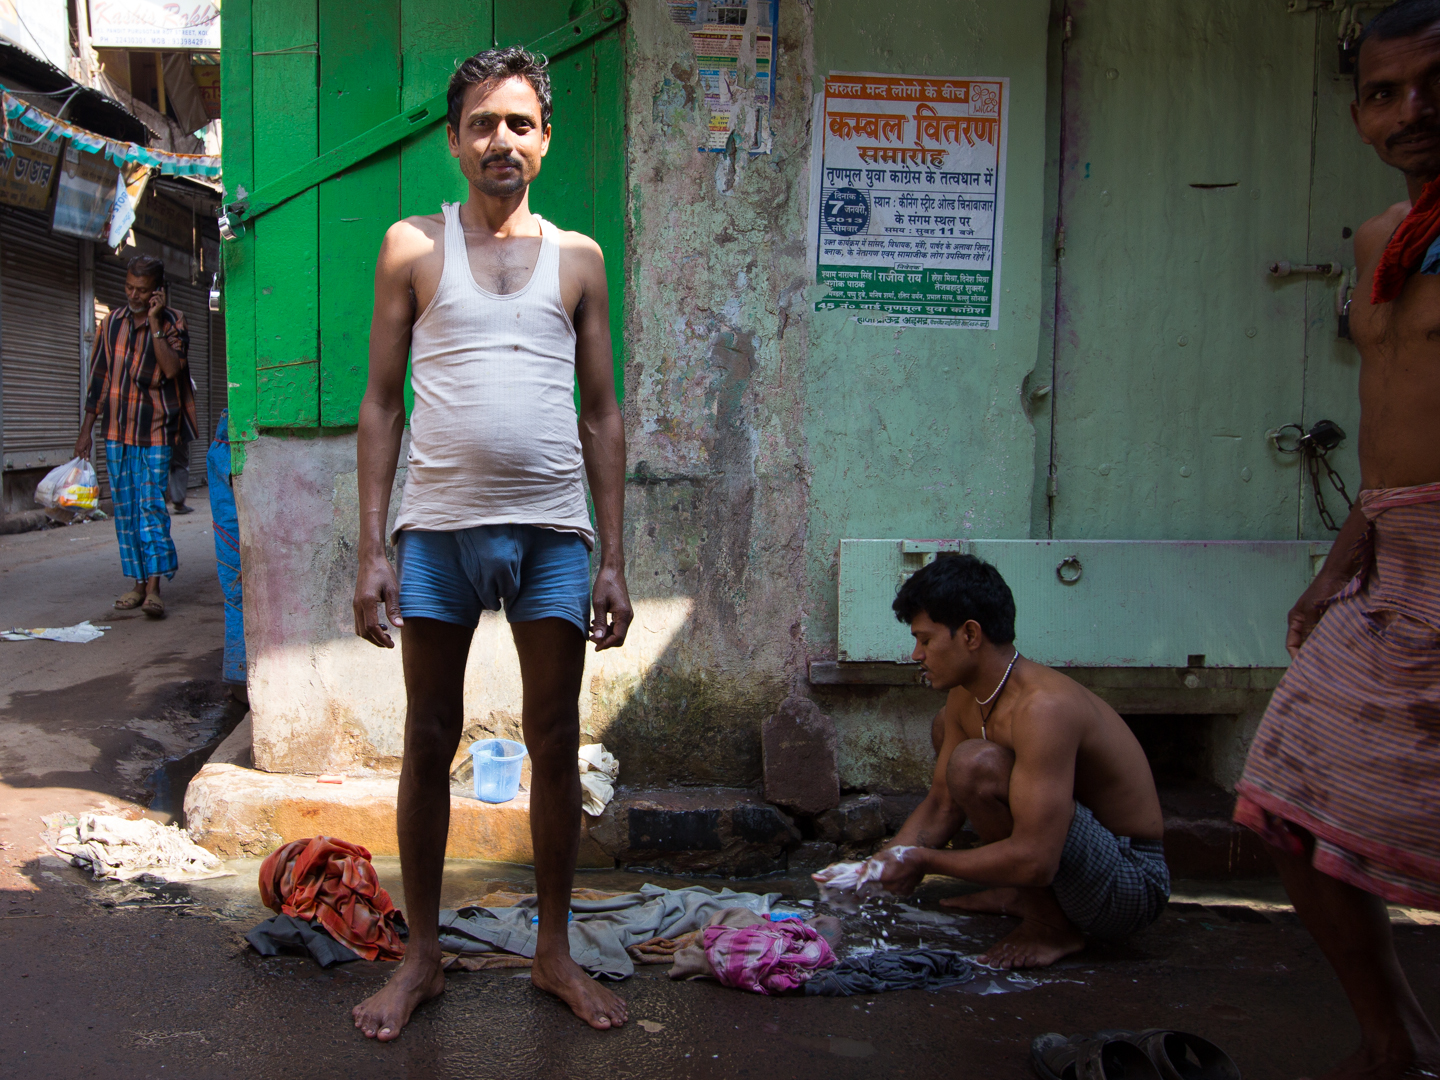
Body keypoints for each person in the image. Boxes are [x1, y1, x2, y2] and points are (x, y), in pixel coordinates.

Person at [349, 47, 631, 1040]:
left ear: (546, 141)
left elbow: (602, 414)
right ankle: (422, 957)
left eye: (519, 124)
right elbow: (382, 405)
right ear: (453, 139)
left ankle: (552, 953)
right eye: (482, 124)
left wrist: (614, 556)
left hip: (554, 530)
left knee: (556, 743)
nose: (500, 141)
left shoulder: (582, 259)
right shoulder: (412, 249)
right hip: (436, 532)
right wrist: (371, 549)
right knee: (430, 740)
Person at [1233, 3, 1440, 1077]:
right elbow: (1392, 431)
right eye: (1384, 93)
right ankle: (1391, 1034)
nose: (1413, 112)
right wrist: (1340, 564)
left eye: (1433, 85)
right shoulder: (1376, 246)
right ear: (1359, 114)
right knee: (1286, 804)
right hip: (1396, 564)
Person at [868, 554, 1168, 969]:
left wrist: (925, 861)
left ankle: (1051, 925)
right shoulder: (965, 695)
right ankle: (1021, 894)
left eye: (926, 639)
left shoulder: (1044, 707)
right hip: (1064, 865)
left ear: (970, 634)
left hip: (1128, 882)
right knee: (951, 737)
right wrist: (873, 869)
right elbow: (941, 806)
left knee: (975, 763)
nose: (917, 653)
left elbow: (1037, 858)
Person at [74, 255, 194, 620]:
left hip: (155, 430)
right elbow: (98, 378)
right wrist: (85, 431)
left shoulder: (174, 323)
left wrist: (156, 321)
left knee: (151, 508)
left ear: (157, 291)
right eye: (129, 287)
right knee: (125, 511)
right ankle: (138, 583)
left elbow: (171, 368)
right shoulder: (111, 323)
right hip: (115, 431)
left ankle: (155, 589)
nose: (134, 295)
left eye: (142, 290)